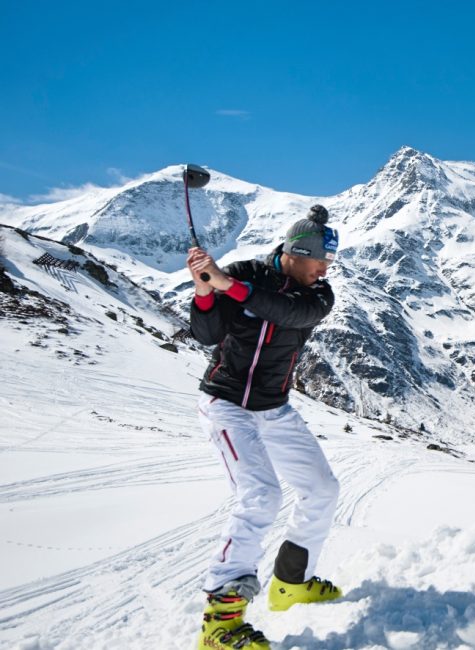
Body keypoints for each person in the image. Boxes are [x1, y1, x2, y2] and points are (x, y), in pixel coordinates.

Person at [187, 204, 342, 650]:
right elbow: (206, 333)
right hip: (227, 403)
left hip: (274, 408)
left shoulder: (317, 296)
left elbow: (285, 313)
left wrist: (227, 285)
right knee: (261, 495)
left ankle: (291, 583)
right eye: (319, 259)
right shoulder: (245, 272)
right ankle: (220, 621)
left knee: (322, 489)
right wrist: (204, 289)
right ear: (295, 252)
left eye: (328, 262)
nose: (324, 269)